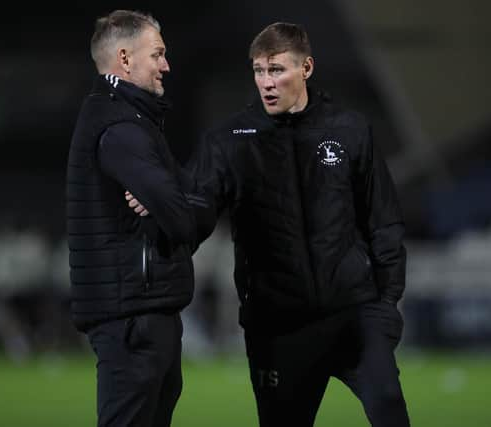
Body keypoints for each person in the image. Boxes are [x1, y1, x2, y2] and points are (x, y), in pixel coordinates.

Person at [131, 21, 410, 426]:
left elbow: (383, 221)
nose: (266, 81)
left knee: (389, 409)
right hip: (278, 329)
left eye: (277, 69)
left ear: (306, 68)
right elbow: (195, 211)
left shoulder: (349, 130)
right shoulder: (229, 139)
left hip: (354, 315)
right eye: (259, 70)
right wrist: (159, 204)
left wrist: (386, 306)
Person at [66, 10, 207, 427]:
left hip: (143, 314)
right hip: (133, 318)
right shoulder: (122, 128)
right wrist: (176, 205)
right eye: (158, 54)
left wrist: (174, 202)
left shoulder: (133, 121)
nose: (167, 65)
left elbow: (196, 204)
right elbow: (184, 220)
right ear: (125, 60)